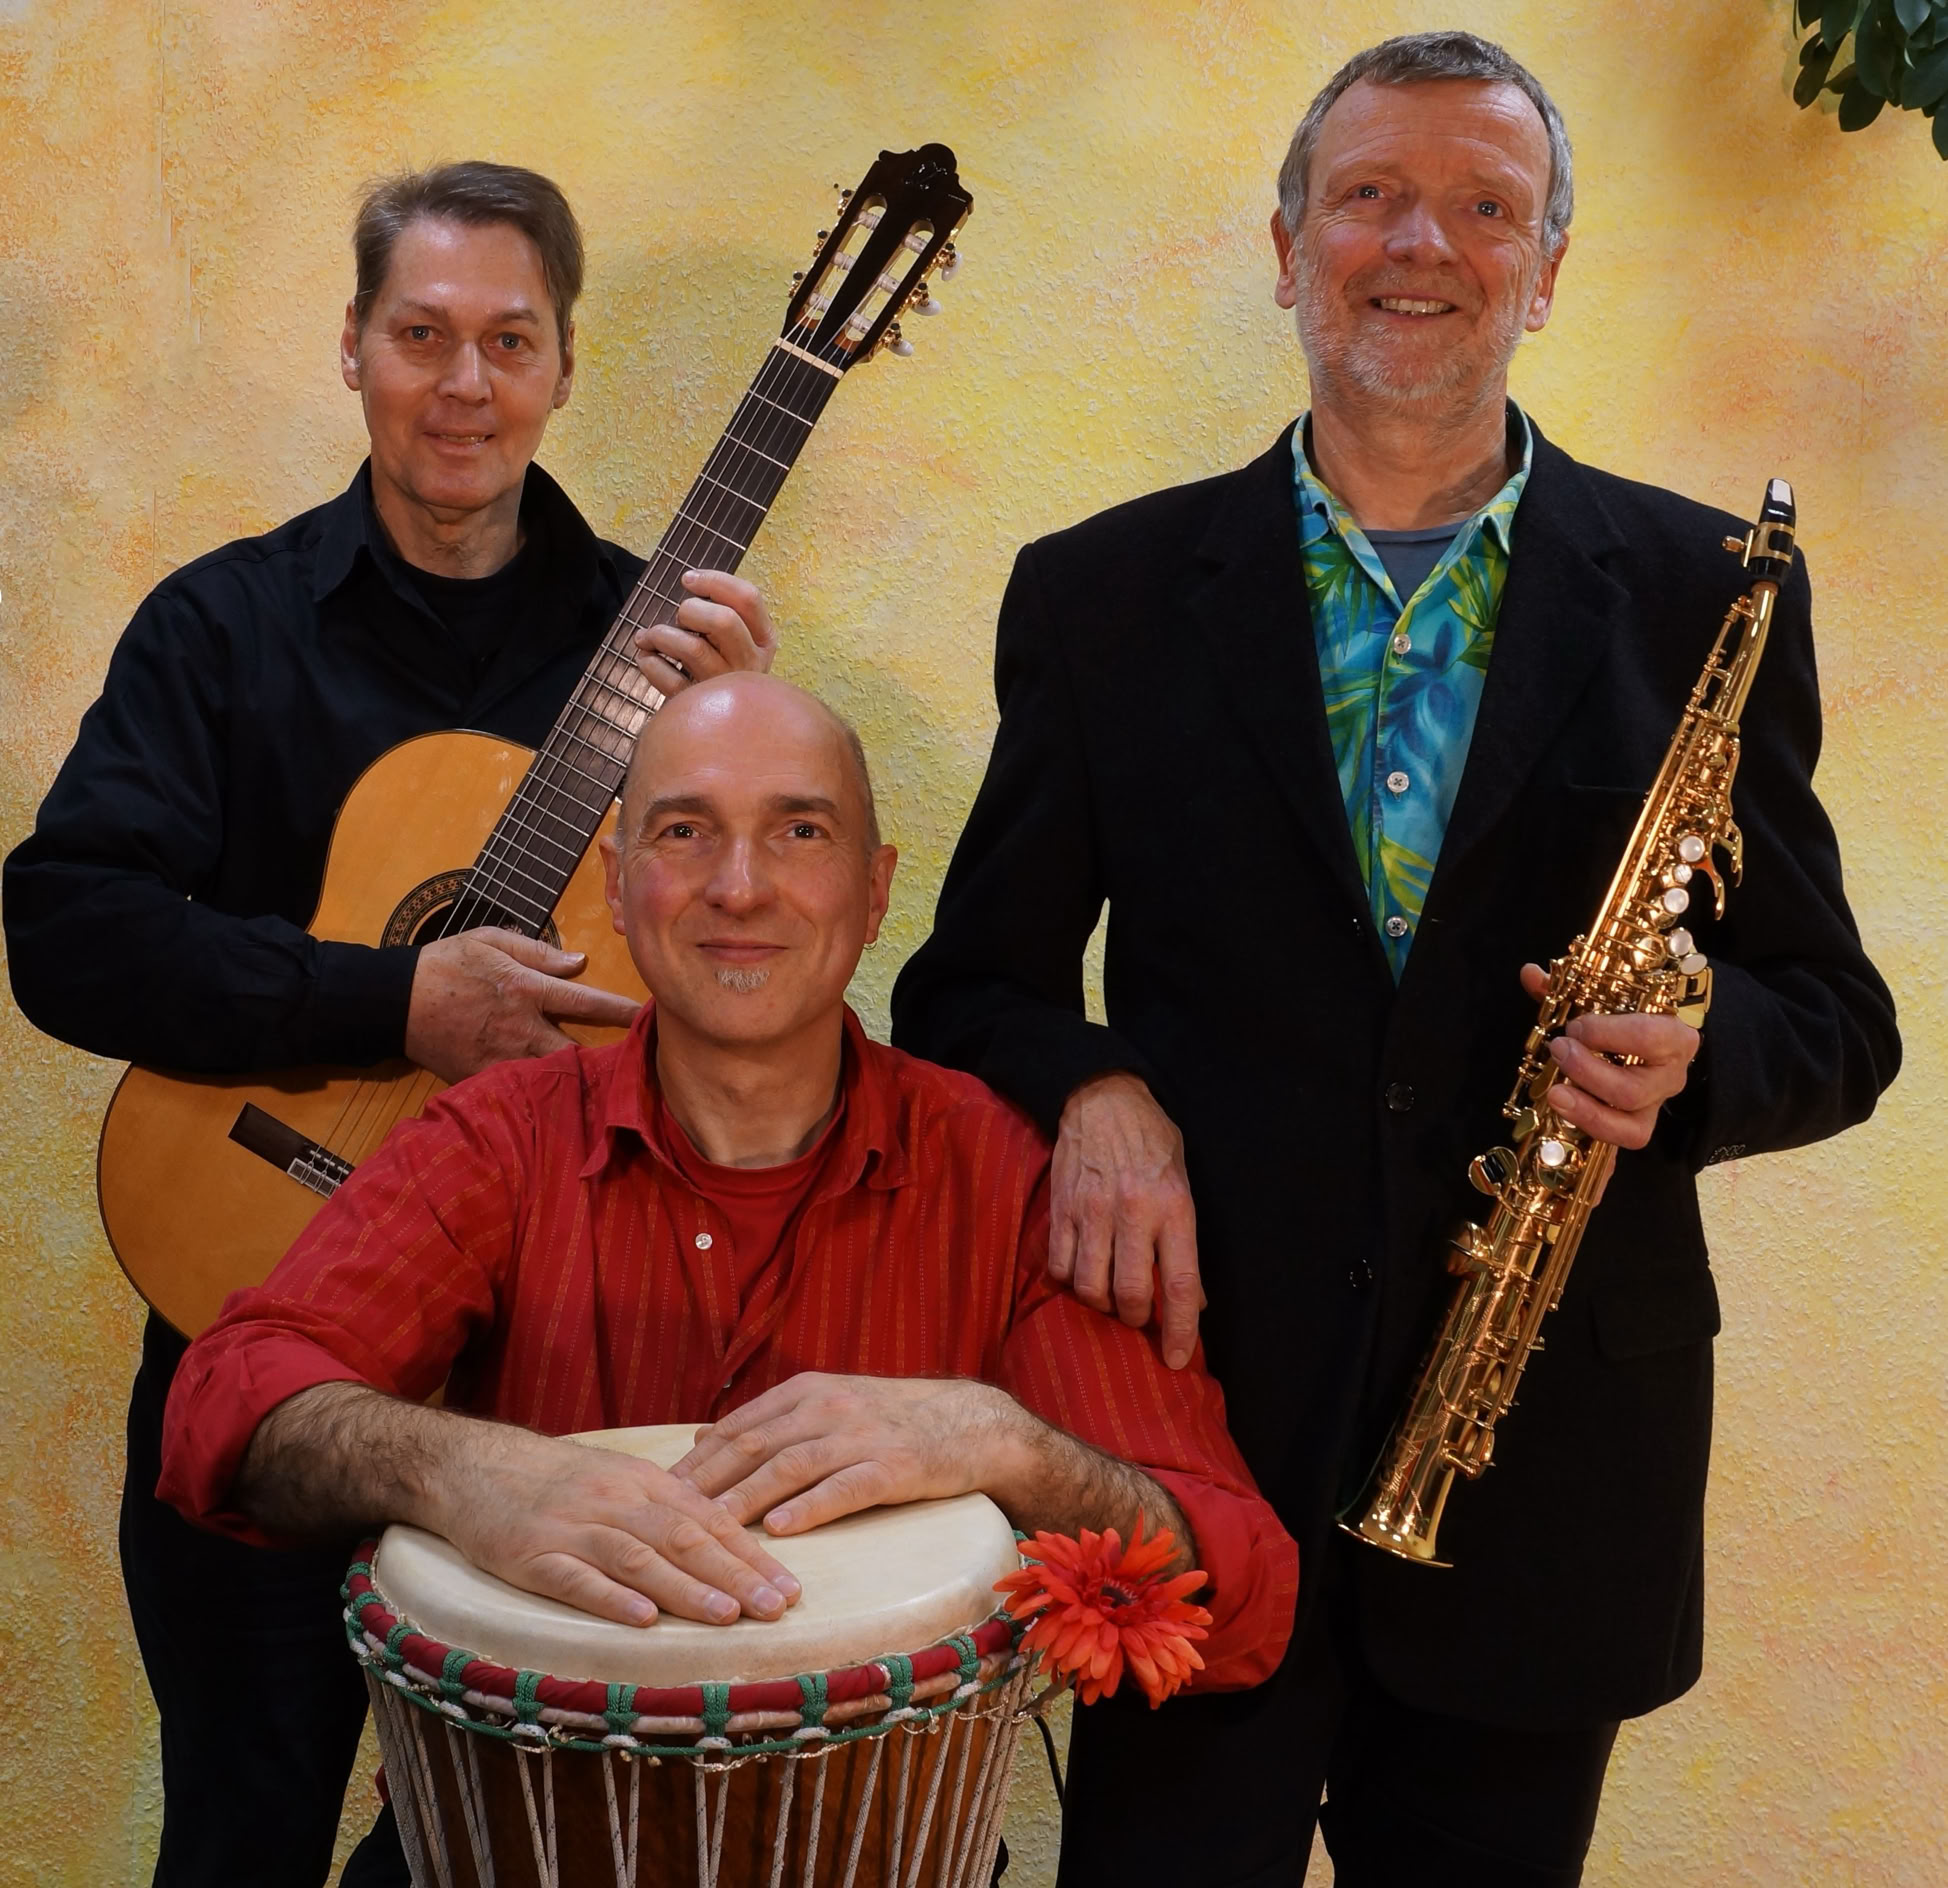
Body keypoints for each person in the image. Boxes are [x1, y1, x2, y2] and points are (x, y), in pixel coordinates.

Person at [890, 31, 1900, 1888]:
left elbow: (1836, 1015)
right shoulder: (1100, 593)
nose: (1419, 244)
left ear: (1546, 268)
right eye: (1367, 196)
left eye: (1482, 207)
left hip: (1545, 1471)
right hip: (1189, 1446)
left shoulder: (1707, 593)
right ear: (1288, 248)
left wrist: (1697, 1052)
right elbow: (964, 990)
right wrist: (1093, 1087)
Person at [157, 671, 1299, 1881]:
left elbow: (1241, 1596)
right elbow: (224, 1402)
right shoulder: (498, 1137)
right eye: (684, 830)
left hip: (877, 1853)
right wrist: (460, 1470)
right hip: (508, 1846)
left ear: (875, 888)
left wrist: (1007, 1443)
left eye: (799, 830)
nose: (739, 885)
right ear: (616, 883)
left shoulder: (1000, 1173)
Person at [3, 162, 780, 1888]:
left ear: (564, 366)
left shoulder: (663, 652)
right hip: (256, 1313)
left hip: (549, 1369)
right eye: (422, 335)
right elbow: (67, 931)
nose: (464, 383)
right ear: (351, 346)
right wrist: (397, 998)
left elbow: (748, 1002)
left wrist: (741, 762)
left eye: (509, 339)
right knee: (242, 1828)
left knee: (518, 1844)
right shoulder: (221, 628)